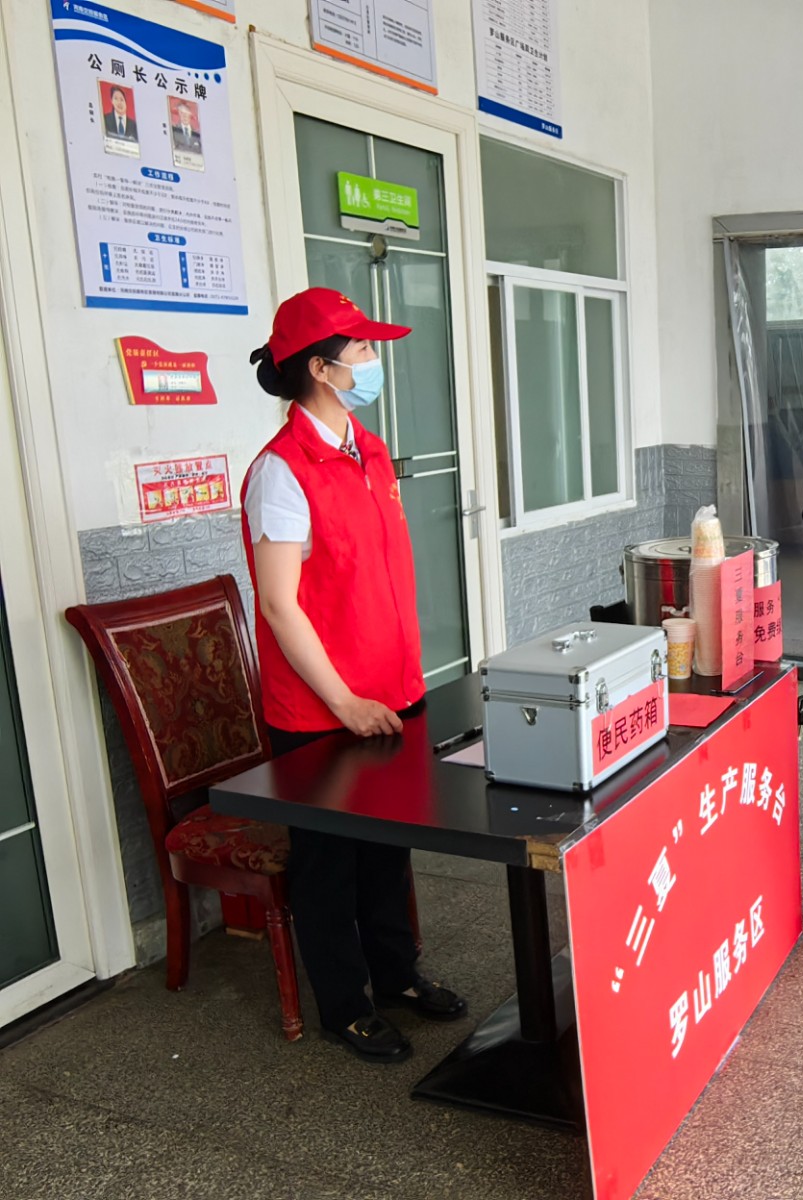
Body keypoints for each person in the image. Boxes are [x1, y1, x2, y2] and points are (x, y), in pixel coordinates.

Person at [242, 288, 467, 1063]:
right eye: (363, 350)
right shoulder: (281, 472)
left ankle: (397, 975)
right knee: (329, 863)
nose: (374, 361)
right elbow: (279, 604)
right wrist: (343, 702)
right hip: (322, 710)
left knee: (387, 848)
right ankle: (345, 1006)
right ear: (320, 368)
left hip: (392, 689)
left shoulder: (367, 450)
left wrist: (395, 685)